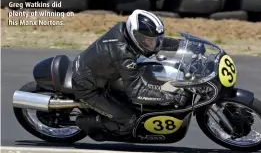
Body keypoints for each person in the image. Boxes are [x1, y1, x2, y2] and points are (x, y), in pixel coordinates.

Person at [72, 9, 188, 140]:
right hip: (88, 87)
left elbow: (156, 42)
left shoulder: (126, 31)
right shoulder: (124, 55)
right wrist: (170, 97)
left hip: (102, 73)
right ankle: (84, 123)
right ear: (136, 36)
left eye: (155, 40)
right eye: (149, 41)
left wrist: (183, 45)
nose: (154, 45)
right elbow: (137, 94)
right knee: (130, 121)